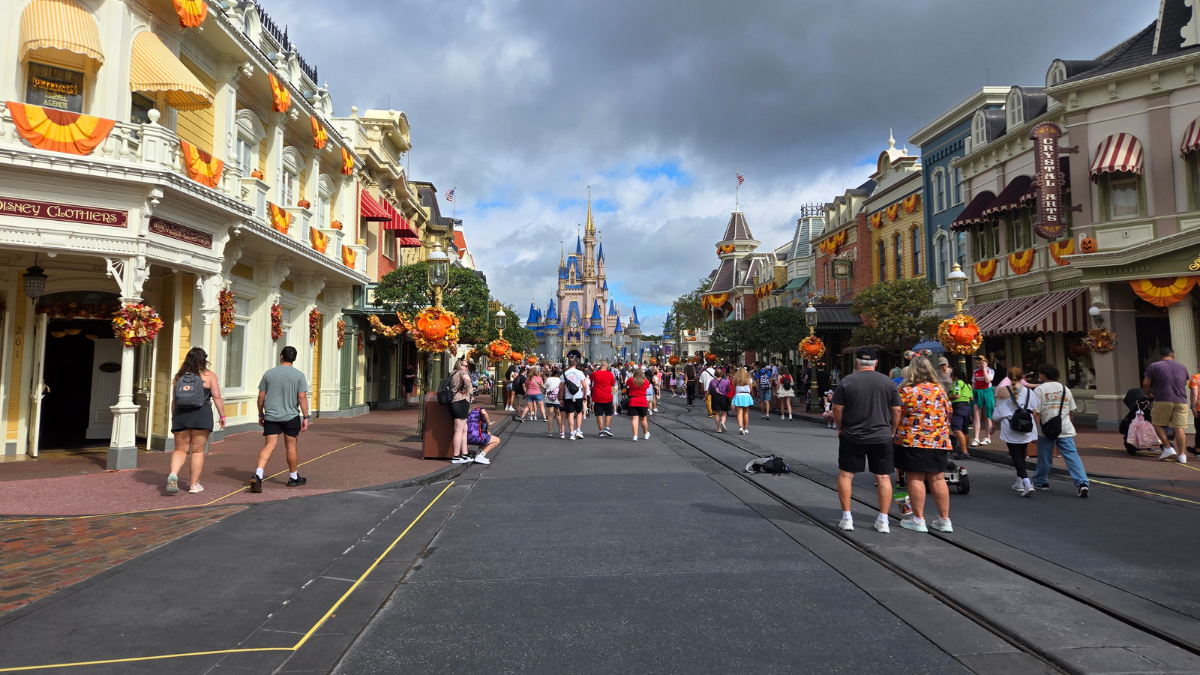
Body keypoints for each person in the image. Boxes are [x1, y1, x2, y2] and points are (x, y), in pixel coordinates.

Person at [831, 347, 901, 534]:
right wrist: (892, 430)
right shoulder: (888, 382)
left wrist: (839, 427)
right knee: (883, 477)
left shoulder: (847, 381)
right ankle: (883, 520)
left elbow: (837, 408)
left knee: (846, 475)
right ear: (876, 363)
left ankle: (847, 518)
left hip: (853, 434)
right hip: (882, 435)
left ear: (857, 362)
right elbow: (896, 410)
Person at [894, 355, 954, 533]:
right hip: (938, 440)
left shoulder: (905, 391)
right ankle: (945, 520)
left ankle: (919, 519)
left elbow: (897, 413)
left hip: (912, 440)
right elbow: (949, 412)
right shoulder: (940, 390)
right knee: (937, 478)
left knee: (915, 478)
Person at [249, 346, 311, 493]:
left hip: (271, 415)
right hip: (290, 416)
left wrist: (260, 414)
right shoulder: (299, 375)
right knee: (291, 446)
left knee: (269, 445)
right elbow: (302, 397)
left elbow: (261, 396)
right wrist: (306, 417)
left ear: (281, 356)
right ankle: (293, 477)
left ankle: (258, 474)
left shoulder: (269, 374)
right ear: (294, 359)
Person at [167, 347, 225, 495]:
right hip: (201, 415)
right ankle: (194, 485)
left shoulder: (179, 377)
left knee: (180, 450)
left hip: (181, 416)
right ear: (204, 360)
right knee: (198, 451)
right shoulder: (209, 375)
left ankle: (173, 474)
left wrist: (174, 418)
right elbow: (217, 396)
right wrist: (222, 416)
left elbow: (174, 401)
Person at [1031, 362, 1090, 497]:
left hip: (1045, 429)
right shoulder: (1065, 389)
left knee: (1044, 457)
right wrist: (1068, 423)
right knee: (1072, 457)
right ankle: (1082, 483)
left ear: (1044, 374)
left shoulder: (1039, 390)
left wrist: (1034, 431)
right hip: (1064, 428)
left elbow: (1037, 413)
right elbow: (1071, 412)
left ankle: (1041, 481)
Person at [994, 366, 1037, 497]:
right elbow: (1034, 412)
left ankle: (1026, 482)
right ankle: (1019, 482)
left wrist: (993, 423)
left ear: (1008, 377)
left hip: (1010, 425)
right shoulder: (1030, 392)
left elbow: (999, 411)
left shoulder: (1002, 390)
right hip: (1026, 426)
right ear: (1022, 377)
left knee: (1016, 455)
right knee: (1022, 453)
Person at [1144, 347, 1190, 464]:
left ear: (1159, 356)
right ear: (1173, 356)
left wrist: (1148, 394)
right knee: (1179, 428)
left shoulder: (1154, 366)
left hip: (1162, 399)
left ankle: (1168, 447)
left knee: (1157, 423)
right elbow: (1184, 382)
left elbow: (1146, 383)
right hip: (1181, 400)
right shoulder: (1182, 367)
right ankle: (1182, 455)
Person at [970, 356, 996, 446]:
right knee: (976, 416)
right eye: (977, 363)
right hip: (977, 392)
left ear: (985, 363)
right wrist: (971, 394)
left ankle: (988, 437)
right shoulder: (975, 371)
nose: (978, 365)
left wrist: (984, 369)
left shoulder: (990, 371)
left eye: (980, 363)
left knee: (987, 415)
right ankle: (976, 438)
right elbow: (973, 383)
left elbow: (987, 380)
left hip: (987, 392)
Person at [948, 368, 973, 459]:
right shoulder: (968, 385)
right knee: (964, 430)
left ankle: (964, 452)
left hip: (959, 407)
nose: (950, 377)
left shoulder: (958, 383)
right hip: (967, 407)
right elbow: (971, 398)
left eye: (952, 375)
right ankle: (965, 450)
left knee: (956, 429)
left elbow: (956, 395)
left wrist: (946, 396)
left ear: (956, 376)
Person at [625, 367, 652, 441]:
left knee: (634, 419)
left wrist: (632, 376)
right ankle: (646, 434)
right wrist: (644, 377)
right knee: (643, 419)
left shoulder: (631, 380)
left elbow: (626, 383)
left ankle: (635, 436)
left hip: (633, 401)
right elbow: (648, 385)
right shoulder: (645, 381)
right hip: (642, 401)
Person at [591, 361, 617, 437]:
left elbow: (591, 378)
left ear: (600, 366)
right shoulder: (610, 374)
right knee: (608, 413)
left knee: (599, 414)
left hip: (597, 396)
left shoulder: (595, 373)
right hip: (607, 396)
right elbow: (613, 384)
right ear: (607, 367)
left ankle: (601, 431)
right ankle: (607, 428)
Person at [563, 359, 587, 440]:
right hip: (578, 395)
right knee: (579, 412)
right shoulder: (580, 373)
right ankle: (578, 430)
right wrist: (585, 395)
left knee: (570, 414)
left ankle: (571, 433)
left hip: (568, 396)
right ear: (576, 364)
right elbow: (584, 385)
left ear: (568, 365)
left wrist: (560, 398)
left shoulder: (565, 373)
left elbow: (562, 387)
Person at [730, 367, 755, 434]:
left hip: (738, 395)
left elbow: (734, 389)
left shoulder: (735, 379)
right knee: (746, 413)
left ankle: (740, 427)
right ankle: (745, 428)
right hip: (746, 395)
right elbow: (750, 389)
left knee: (739, 413)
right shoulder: (749, 379)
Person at [544, 366, 564, 438]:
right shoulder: (560, 379)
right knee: (558, 415)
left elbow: (544, 387)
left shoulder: (549, 379)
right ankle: (561, 430)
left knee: (550, 415)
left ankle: (550, 431)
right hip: (557, 399)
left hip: (549, 398)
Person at [709, 367, 731, 432]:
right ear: (722, 374)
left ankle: (719, 428)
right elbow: (728, 390)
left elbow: (709, 390)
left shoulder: (712, 381)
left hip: (715, 398)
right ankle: (723, 422)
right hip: (723, 397)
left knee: (717, 413)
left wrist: (705, 397)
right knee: (724, 413)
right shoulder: (725, 382)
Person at [1188, 365, 1200, 457]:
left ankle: (1198, 449)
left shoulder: (1195, 377)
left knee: (1199, 429)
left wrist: (1193, 406)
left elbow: (1194, 392)